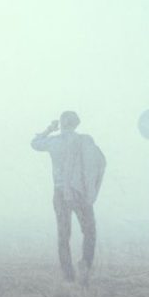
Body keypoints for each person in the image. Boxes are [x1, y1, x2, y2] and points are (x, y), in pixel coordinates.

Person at [31, 111, 106, 285]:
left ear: (62, 123)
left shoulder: (54, 141)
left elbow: (34, 143)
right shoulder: (85, 141)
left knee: (63, 235)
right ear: (76, 123)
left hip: (60, 194)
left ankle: (68, 276)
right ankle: (85, 265)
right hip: (80, 192)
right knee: (90, 231)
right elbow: (99, 162)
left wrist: (49, 129)